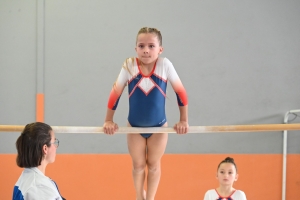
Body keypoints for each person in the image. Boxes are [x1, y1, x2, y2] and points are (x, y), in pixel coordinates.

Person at [103, 27, 189, 200]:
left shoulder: (165, 65)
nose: (146, 50)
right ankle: (138, 196)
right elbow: (115, 92)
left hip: (159, 128)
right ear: (136, 49)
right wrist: (108, 120)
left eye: (151, 46)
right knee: (138, 166)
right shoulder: (129, 65)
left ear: (160, 49)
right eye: (141, 46)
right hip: (134, 127)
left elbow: (181, 92)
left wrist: (183, 120)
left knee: (154, 165)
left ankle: (150, 198)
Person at [13, 122, 66, 200]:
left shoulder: (28, 179)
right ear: (45, 149)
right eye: (54, 142)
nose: (55, 147)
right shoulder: (39, 186)